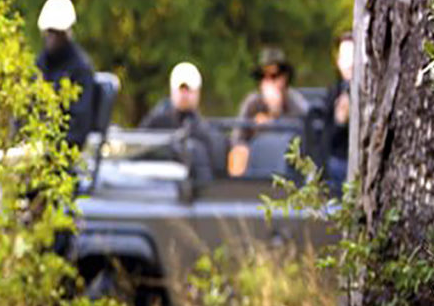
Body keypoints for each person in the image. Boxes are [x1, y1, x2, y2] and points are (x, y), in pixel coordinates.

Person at [228, 47, 309, 177]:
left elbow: (305, 137)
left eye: (273, 76)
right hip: (256, 167)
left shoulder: (296, 102)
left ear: (284, 77)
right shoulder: (252, 103)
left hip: (288, 169)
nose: (268, 82)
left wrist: (274, 118)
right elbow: (237, 139)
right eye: (262, 76)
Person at [139, 62, 223, 181]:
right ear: (172, 90)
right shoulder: (155, 122)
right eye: (181, 89)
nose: (184, 95)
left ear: (198, 93)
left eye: (189, 90)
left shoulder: (204, 129)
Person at [35, 0, 96, 151]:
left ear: (67, 33)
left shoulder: (80, 70)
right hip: (33, 147)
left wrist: (50, 147)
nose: (52, 38)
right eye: (50, 32)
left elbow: (78, 127)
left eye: (57, 33)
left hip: (59, 154)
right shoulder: (41, 64)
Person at [323, 31, 354, 195]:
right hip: (338, 161)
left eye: (352, 56)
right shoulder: (334, 93)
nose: (348, 64)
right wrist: (340, 121)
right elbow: (327, 140)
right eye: (345, 57)